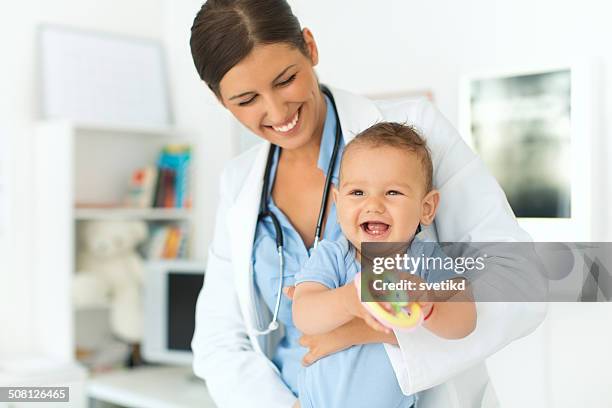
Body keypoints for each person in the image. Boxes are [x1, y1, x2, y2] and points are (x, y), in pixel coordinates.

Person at [189, 1, 546, 407]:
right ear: (220, 100)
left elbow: (520, 279)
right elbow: (219, 338)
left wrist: (379, 331)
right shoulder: (239, 184)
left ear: (310, 47)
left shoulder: (415, 132)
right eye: (246, 99)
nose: (276, 111)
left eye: (285, 79)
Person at [292, 122, 476, 408]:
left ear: (426, 208)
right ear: (337, 202)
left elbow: (466, 320)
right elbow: (304, 314)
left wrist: (431, 304)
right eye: (357, 193)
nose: (373, 205)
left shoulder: (425, 260)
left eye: (392, 193)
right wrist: (348, 300)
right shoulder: (333, 256)